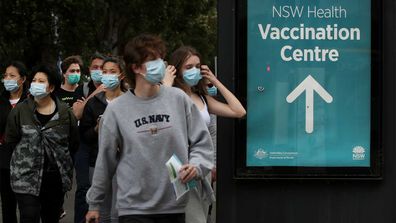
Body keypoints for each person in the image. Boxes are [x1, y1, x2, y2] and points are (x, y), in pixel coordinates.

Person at [85, 34, 213, 223]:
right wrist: (94, 204)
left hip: (174, 204)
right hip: (133, 207)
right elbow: (105, 160)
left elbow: (202, 142)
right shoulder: (116, 110)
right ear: (135, 67)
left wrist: (196, 166)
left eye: (160, 58)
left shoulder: (178, 99)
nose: (160, 64)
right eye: (152, 60)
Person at [164, 46, 246, 223]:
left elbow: (238, 111)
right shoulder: (170, 96)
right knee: (192, 218)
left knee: (202, 214)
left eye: (197, 66)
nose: (193, 71)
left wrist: (215, 81)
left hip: (201, 166)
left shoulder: (201, 98)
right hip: (179, 167)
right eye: (188, 67)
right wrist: (166, 84)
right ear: (176, 69)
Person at [5, 64, 79, 223]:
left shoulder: (65, 112)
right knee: (29, 216)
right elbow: (11, 140)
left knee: (51, 217)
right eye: (34, 80)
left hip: (55, 178)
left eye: (41, 81)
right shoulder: (20, 111)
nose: (35, 84)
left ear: (51, 87)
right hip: (26, 177)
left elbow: (73, 143)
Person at [80, 57, 127, 222]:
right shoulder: (93, 103)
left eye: (112, 72)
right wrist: (96, 129)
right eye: (104, 72)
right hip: (98, 162)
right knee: (102, 212)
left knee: (119, 212)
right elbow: (84, 135)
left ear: (121, 75)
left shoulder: (130, 101)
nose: (107, 75)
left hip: (125, 163)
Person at [74, 53, 107, 223]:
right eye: (95, 67)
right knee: (84, 189)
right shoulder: (83, 89)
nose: (99, 71)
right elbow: (77, 114)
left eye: (102, 68)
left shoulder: (118, 90)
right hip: (86, 144)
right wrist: (95, 94)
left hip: (107, 147)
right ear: (89, 69)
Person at [0, 61, 29, 223]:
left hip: (27, 161)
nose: (7, 79)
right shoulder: (1, 100)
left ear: (22, 79)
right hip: (4, 161)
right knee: (7, 205)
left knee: (28, 206)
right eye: (5, 76)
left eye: (12, 76)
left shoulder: (31, 101)